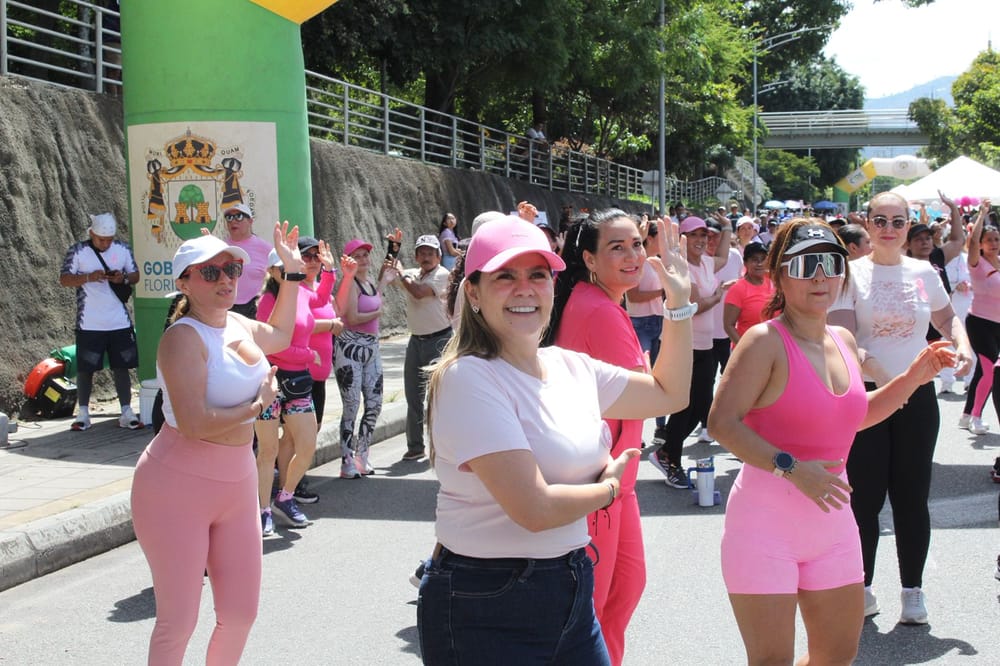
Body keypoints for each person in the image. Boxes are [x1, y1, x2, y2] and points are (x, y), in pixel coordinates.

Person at [417, 215, 694, 665]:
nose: (524, 289)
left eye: (538, 275)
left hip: (571, 580)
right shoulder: (468, 377)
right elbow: (535, 509)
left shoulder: (570, 366)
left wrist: (678, 305)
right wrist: (607, 489)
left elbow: (670, 393)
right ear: (473, 291)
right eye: (505, 276)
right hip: (487, 600)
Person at [708, 219, 955, 665]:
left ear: (843, 271)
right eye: (805, 266)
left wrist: (915, 377)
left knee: (835, 658)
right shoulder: (763, 341)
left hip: (833, 528)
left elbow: (856, 416)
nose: (819, 276)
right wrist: (792, 468)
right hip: (764, 529)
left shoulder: (841, 338)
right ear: (780, 275)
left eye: (829, 262)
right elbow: (723, 423)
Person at [131, 224, 301, 664]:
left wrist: (294, 276)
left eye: (232, 268)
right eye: (211, 273)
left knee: (241, 613)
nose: (226, 279)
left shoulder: (237, 323)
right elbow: (194, 424)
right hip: (175, 484)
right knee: (179, 620)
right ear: (183, 282)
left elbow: (281, 335)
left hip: (236, 481)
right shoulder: (181, 338)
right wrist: (258, 405)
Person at [829, 191, 973, 625]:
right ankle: (864, 586)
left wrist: (962, 344)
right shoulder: (850, 274)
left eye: (898, 221)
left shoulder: (923, 272)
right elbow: (845, 342)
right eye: (880, 221)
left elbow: (947, 320)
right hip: (869, 399)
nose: (889, 229)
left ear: (909, 226)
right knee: (865, 500)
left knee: (912, 498)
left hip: (918, 402)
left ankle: (913, 590)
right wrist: (892, 381)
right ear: (867, 224)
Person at [547, 209, 664, 664]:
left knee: (620, 595)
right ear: (589, 259)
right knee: (594, 611)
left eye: (637, 243)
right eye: (617, 247)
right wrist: (679, 304)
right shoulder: (598, 309)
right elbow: (659, 395)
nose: (633, 255)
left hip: (615, 483)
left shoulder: (596, 300)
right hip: (603, 483)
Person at [649, 215, 733, 489]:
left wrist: (727, 228)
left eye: (704, 236)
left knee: (700, 407)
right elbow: (696, 304)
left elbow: (722, 254)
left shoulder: (708, 262)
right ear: (682, 240)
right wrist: (718, 296)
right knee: (685, 405)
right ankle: (671, 457)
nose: (700, 241)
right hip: (683, 345)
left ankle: (667, 451)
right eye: (693, 236)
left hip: (705, 345)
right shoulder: (681, 266)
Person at [280, 237, 356, 509]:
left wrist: (344, 276)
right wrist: (329, 326)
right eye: (307, 256)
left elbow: (338, 310)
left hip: (319, 373)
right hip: (298, 370)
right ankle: (290, 487)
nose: (312, 260)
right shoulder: (293, 289)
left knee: (311, 431)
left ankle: (290, 482)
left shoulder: (317, 289)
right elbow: (295, 326)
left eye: (316, 256)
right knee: (294, 435)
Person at [254, 246, 323, 531]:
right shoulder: (267, 302)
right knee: (268, 450)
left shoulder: (303, 293)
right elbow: (272, 346)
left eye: (292, 270)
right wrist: (308, 355)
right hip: (270, 382)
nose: (290, 274)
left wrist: (328, 270)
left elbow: (319, 299)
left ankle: (286, 496)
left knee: (307, 445)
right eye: (284, 270)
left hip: (298, 385)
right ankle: (262, 510)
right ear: (272, 272)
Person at [59, 212, 141, 431]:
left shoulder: (122, 249)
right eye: (100, 239)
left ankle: (126, 411)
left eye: (109, 240)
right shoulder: (78, 251)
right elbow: (64, 279)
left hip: (119, 321)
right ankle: (83, 413)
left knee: (122, 366)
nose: (105, 244)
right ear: (91, 233)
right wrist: (88, 277)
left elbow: (135, 275)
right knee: (86, 368)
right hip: (89, 322)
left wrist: (120, 278)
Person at [386, 234, 452, 461]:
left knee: (438, 397)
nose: (425, 257)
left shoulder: (442, 274)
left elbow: (419, 292)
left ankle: (442, 446)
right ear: (415, 256)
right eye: (421, 253)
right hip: (416, 341)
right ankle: (415, 446)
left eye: (430, 253)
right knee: (413, 396)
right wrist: (392, 250)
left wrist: (402, 273)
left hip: (439, 340)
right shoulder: (411, 275)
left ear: (438, 256)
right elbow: (386, 274)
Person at [335, 237, 391, 479]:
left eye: (365, 255)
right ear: (348, 261)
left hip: (372, 347)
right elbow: (353, 317)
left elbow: (375, 298)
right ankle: (346, 459)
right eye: (356, 256)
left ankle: (363, 455)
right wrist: (380, 311)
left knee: (375, 403)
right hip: (349, 347)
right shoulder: (349, 285)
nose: (362, 259)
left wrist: (383, 284)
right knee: (351, 405)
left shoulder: (368, 284)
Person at [959, 201, 1000, 435]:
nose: (993, 244)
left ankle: (966, 414)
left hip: (998, 325)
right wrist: (982, 215)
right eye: (989, 240)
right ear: (981, 245)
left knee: (983, 372)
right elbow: (972, 242)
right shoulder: (977, 263)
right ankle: (976, 417)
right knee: (990, 372)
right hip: (980, 323)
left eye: (997, 239)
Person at [224, 203, 272, 318]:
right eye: (229, 218)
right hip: (227, 307)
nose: (233, 221)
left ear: (250, 221)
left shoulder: (266, 248)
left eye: (239, 216)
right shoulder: (221, 247)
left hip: (256, 307)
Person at [723, 241, 774, 346]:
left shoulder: (772, 281)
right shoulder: (737, 289)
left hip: (773, 349)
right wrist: (745, 348)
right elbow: (728, 325)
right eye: (754, 260)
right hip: (750, 351)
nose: (759, 263)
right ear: (745, 263)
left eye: (763, 259)